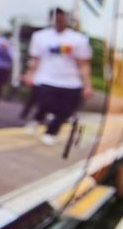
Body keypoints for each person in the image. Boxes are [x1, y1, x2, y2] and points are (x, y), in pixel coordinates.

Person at [23, 8, 93, 145]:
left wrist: (87, 85)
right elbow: (34, 59)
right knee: (46, 104)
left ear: (67, 19)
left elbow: (83, 64)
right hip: (46, 79)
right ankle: (38, 118)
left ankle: (51, 132)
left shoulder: (78, 39)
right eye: (56, 17)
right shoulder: (40, 36)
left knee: (65, 110)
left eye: (62, 17)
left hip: (71, 82)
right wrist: (29, 74)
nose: (59, 20)